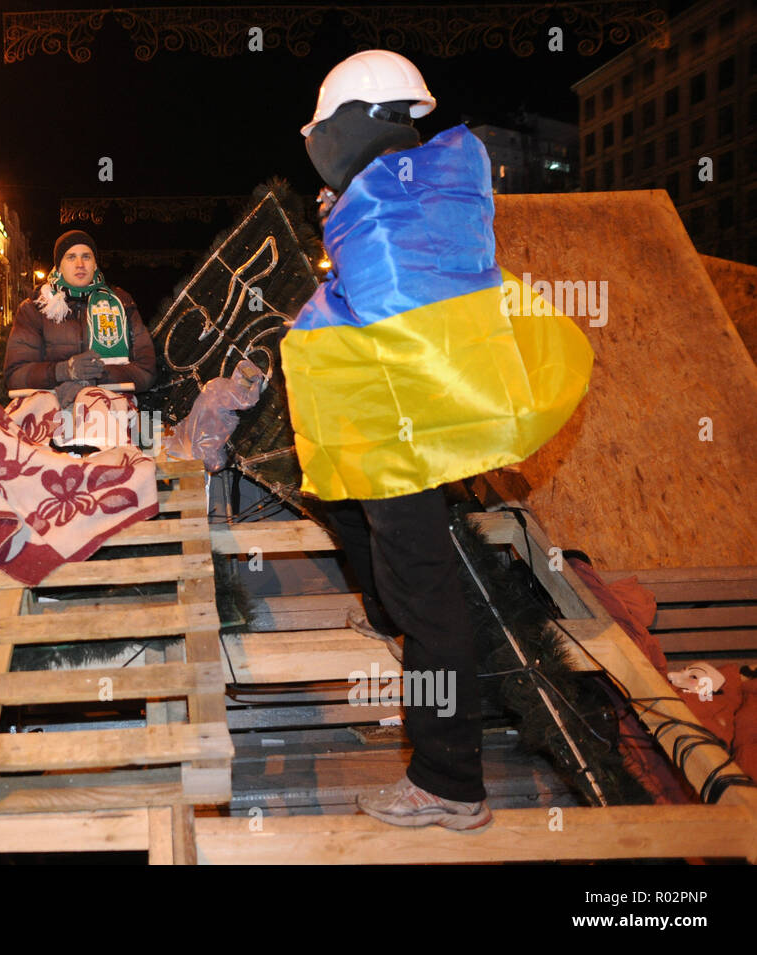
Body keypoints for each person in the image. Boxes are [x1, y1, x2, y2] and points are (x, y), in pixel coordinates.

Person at [282, 50, 591, 831]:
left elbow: (374, 310)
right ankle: (388, 609)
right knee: (338, 496)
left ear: (358, 120)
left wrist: (344, 222)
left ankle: (448, 781)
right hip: (403, 425)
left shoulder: (389, 203)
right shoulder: (415, 183)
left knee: (431, 602)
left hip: (402, 434)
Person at [4, 230, 156, 409]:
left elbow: (146, 371)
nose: (80, 264)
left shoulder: (121, 303)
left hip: (111, 413)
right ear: (59, 266)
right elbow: (15, 376)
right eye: (70, 257)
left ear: (95, 264)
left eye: (86, 256)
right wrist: (65, 371)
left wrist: (97, 376)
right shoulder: (35, 308)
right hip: (52, 414)